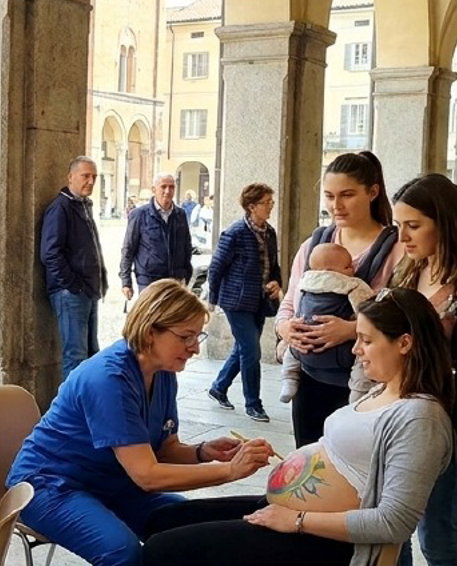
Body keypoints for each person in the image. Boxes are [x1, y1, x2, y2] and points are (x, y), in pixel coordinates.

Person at [140, 287, 456, 566]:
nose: (356, 349)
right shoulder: (381, 390)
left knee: (165, 554)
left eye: (366, 340)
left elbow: (394, 522)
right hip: (296, 524)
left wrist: (297, 520)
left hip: (328, 548)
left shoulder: (421, 418)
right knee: (161, 522)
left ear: (404, 343)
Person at [7, 280, 273, 566]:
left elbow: (164, 448)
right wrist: (229, 472)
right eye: (186, 336)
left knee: (182, 534)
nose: (194, 347)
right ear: (150, 332)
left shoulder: (162, 371)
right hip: (50, 485)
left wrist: (203, 451)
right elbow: (147, 476)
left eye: (197, 336)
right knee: (121, 554)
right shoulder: (109, 378)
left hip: (113, 482)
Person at [377, 173, 457, 566]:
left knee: (439, 539)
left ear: (445, 223)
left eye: (413, 225)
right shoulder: (408, 269)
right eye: (398, 225)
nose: (403, 236)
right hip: (397, 415)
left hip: (449, 424)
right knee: (390, 531)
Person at [275, 151, 402, 447]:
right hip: (309, 378)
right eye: (329, 196)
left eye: (347, 195)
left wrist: (349, 329)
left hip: (364, 380)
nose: (336, 206)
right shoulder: (314, 245)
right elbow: (290, 301)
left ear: (372, 192)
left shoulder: (396, 250)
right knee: (309, 459)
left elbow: (403, 316)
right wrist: (285, 329)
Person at [206, 183, 283, 423]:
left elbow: (274, 265)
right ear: (251, 206)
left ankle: (219, 387)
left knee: (243, 348)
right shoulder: (235, 233)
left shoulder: (270, 232)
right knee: (251, 350)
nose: (270, 206)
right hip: (236, 301)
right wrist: (212, 300)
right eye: (266, 202)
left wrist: (276, 283)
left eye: (271, 202)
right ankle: (253, 404)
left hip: (260, 300)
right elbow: (216, 268)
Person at [275, 243, 375, 405]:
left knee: (292, 354)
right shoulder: (352, 283)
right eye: (348, 266)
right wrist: (284, 328)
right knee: (361, 359)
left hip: (304, 345)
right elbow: (368, 308)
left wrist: (292, 326)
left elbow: (294, 300)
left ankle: (289, 379)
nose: (353, 268)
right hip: (339, 358)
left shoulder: (305, 279)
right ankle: (358, 392)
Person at [40, 157, 109, 378]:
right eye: (85, 176)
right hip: (71, 293)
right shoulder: (61, 208)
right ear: (71, 177)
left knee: (91, 354)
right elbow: (50, 253)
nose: (91, 181)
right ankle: (71, 401)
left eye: (94, 177)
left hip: (88, 290)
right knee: (75, 356)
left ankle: (87, 398)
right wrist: (73, 285)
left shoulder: (83, 205)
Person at [120, 172, 192, 301]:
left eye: (171, 187)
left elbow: (187, 246)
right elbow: (128, 249)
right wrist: (126, 282)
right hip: (149, 282)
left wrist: (186, 274)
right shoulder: (139, 215)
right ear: (154, 189)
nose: (167, 191)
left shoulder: (180, 215)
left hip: (175, 282)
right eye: (163, 187)